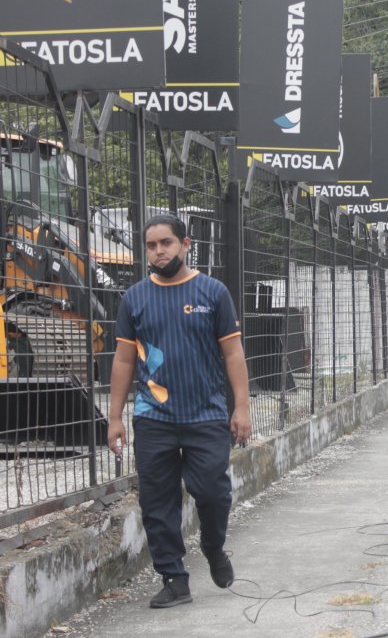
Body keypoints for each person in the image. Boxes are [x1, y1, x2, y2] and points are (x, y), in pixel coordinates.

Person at [107, 214, 253, 609]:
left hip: (206, 414)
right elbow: (122, 361)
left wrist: (241, 407)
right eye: (151, 246)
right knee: (157, 502)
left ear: (185, 244)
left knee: (212, 492)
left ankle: (213, 546)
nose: (158, 252)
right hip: (154, 418)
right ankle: (174, 579)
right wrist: (115, 416)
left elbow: (233, 353)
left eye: (166, 243)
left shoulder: (213, 292)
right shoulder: (134, 298)